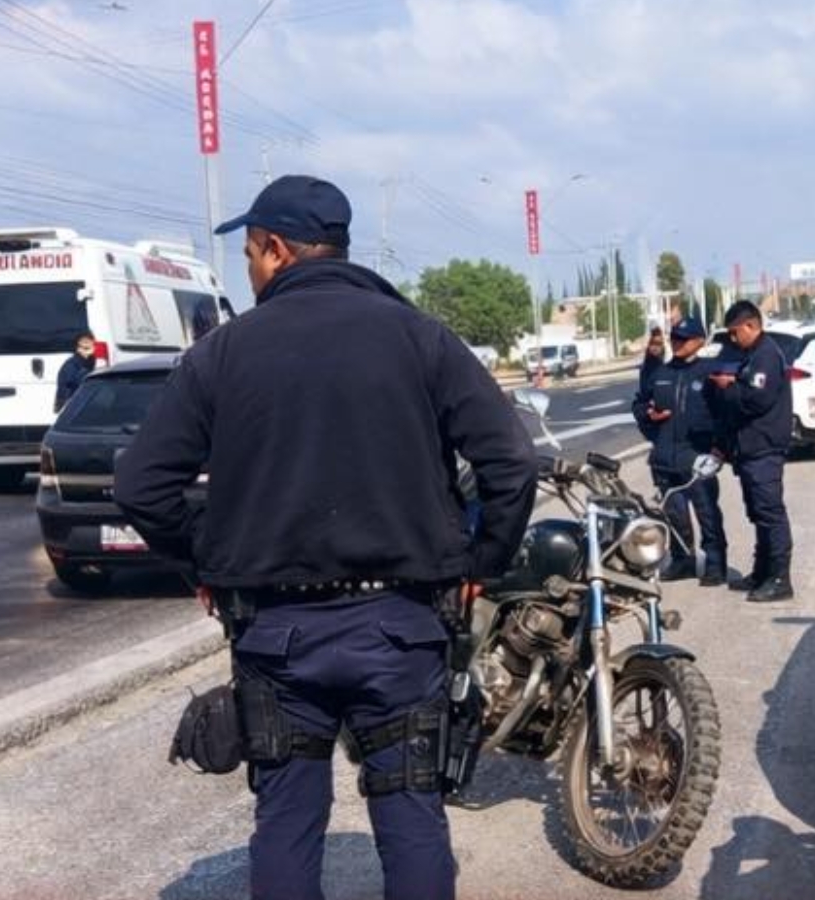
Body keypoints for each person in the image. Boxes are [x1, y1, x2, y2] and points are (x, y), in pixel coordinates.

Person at [113, 174, 537, 900]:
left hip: (277, 636)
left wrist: (207, 564)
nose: (248, 273)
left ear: (276, 250)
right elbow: (511, 462)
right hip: (401, 629)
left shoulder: (224, 353)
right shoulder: (419, 337)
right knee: (411, 820)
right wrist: (481, 563)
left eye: (249, 255)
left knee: (285, 824)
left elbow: (141, 486)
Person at [709, 300, 794, 602]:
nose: (733, 339)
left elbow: (756, 400)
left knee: (770, 513)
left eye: (735, 332)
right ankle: (762, 570)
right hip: (749, 448)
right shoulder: (751, 355)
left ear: (751, 326)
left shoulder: (766, 355)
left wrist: (728, 387)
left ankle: (781, 577)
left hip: (764, 448)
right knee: (758, 513)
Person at [632, 318, 727, 584]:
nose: (677, 343)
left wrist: (720, 449)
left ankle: (715, 565)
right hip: (665, 458)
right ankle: (682, 560)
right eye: (674, 338)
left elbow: (725, 413)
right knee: (674, 516)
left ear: (699, 341)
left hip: (697, 457)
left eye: (683, 339)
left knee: (707, 514)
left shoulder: (709, 372)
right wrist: (650, 419)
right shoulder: (660, 373)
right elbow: (640, 404)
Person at [53, 331, 96, 412]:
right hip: (71, 407)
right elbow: (72, 384)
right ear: (77, 348)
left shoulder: (88, 363)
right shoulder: (72, 364)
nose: (88, 350)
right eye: (85, 347)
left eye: (90, 345)